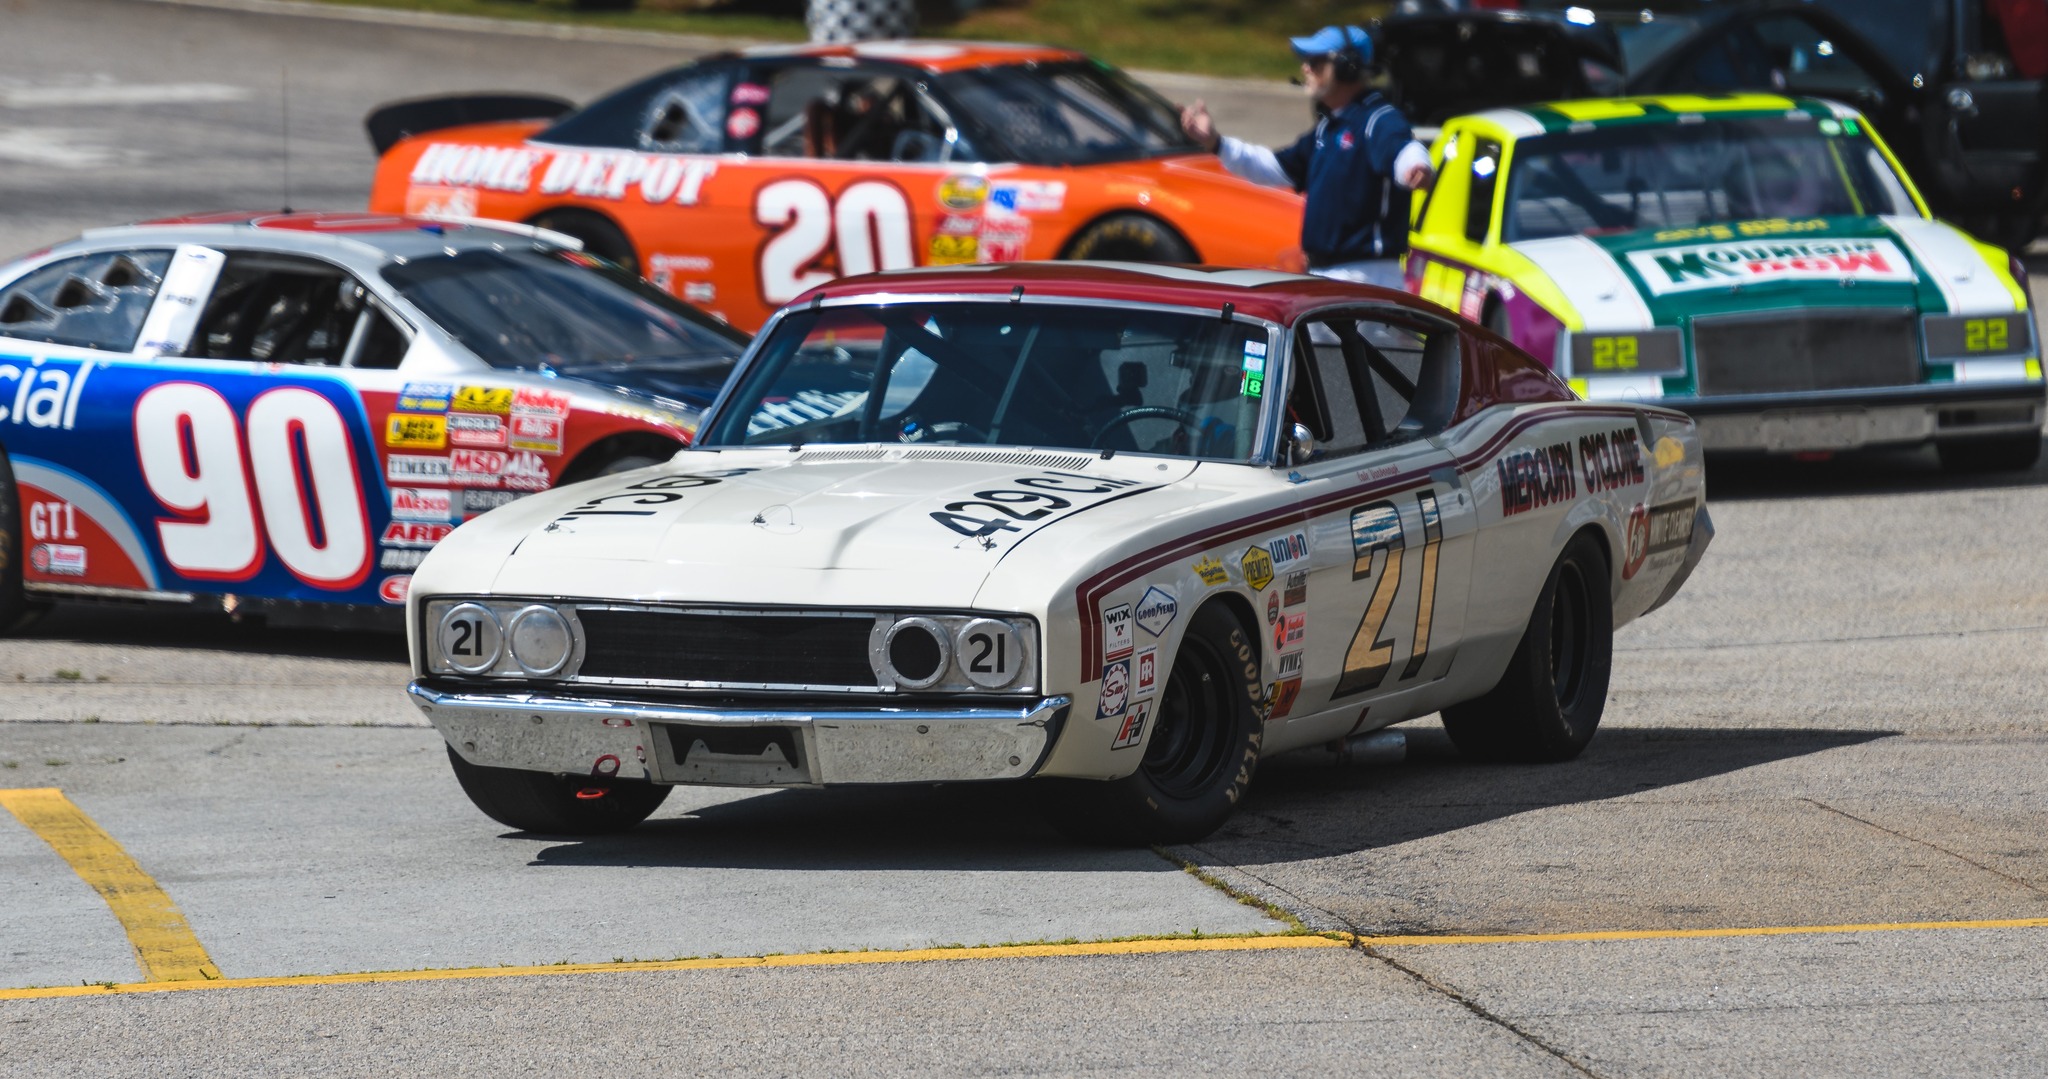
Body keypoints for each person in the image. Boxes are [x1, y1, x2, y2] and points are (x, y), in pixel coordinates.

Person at [1180, 25, 1433, 288]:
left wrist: (1416, 167)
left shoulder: (1377, 119)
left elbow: (1403, 147)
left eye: (1316, 62)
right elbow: (1271, 167)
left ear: (1349, 67)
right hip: (1330, 275)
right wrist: (1215, 142)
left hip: (1366, 276)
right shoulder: (1328, 128)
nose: (1305, 69)